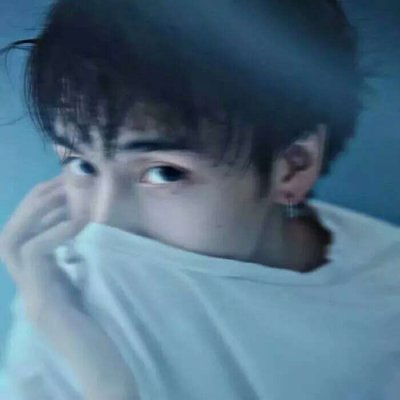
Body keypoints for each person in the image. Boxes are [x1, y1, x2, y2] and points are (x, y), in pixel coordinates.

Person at [0, 0, 399, 399]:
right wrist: (68, 337)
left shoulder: (386, 303)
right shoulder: (61, 289)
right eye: (82, 164)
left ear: (293, 167)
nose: (103, 224)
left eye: (164, 172)